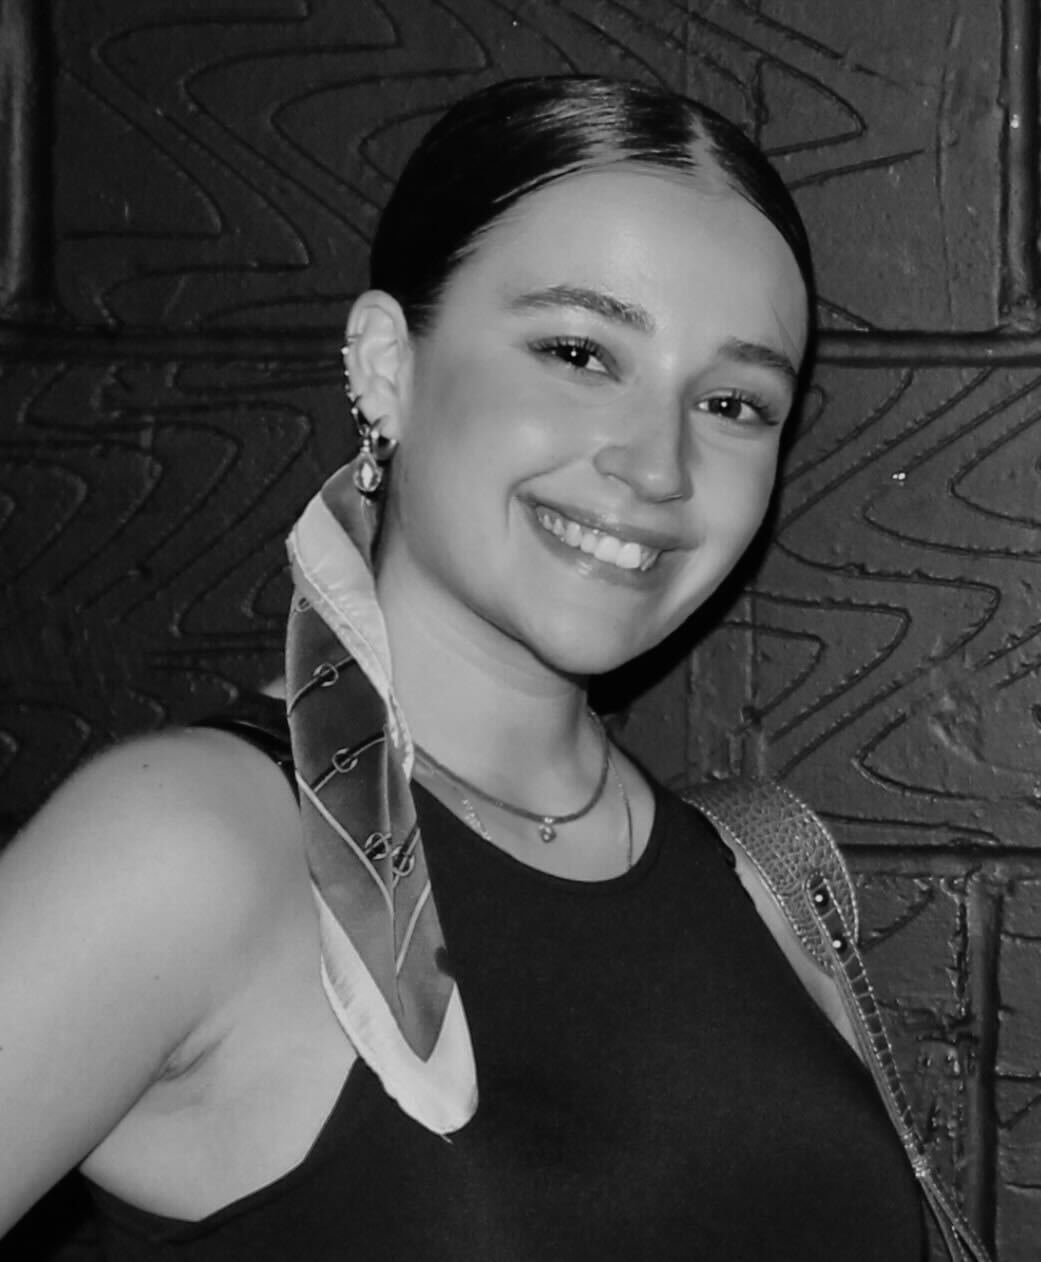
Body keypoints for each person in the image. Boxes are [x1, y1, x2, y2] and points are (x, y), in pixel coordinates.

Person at [0, 77, 984, 1261]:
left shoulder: (764, 878)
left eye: (733, 401)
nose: (658, 465)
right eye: (579, 351)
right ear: (387, 363)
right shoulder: (194, 846)